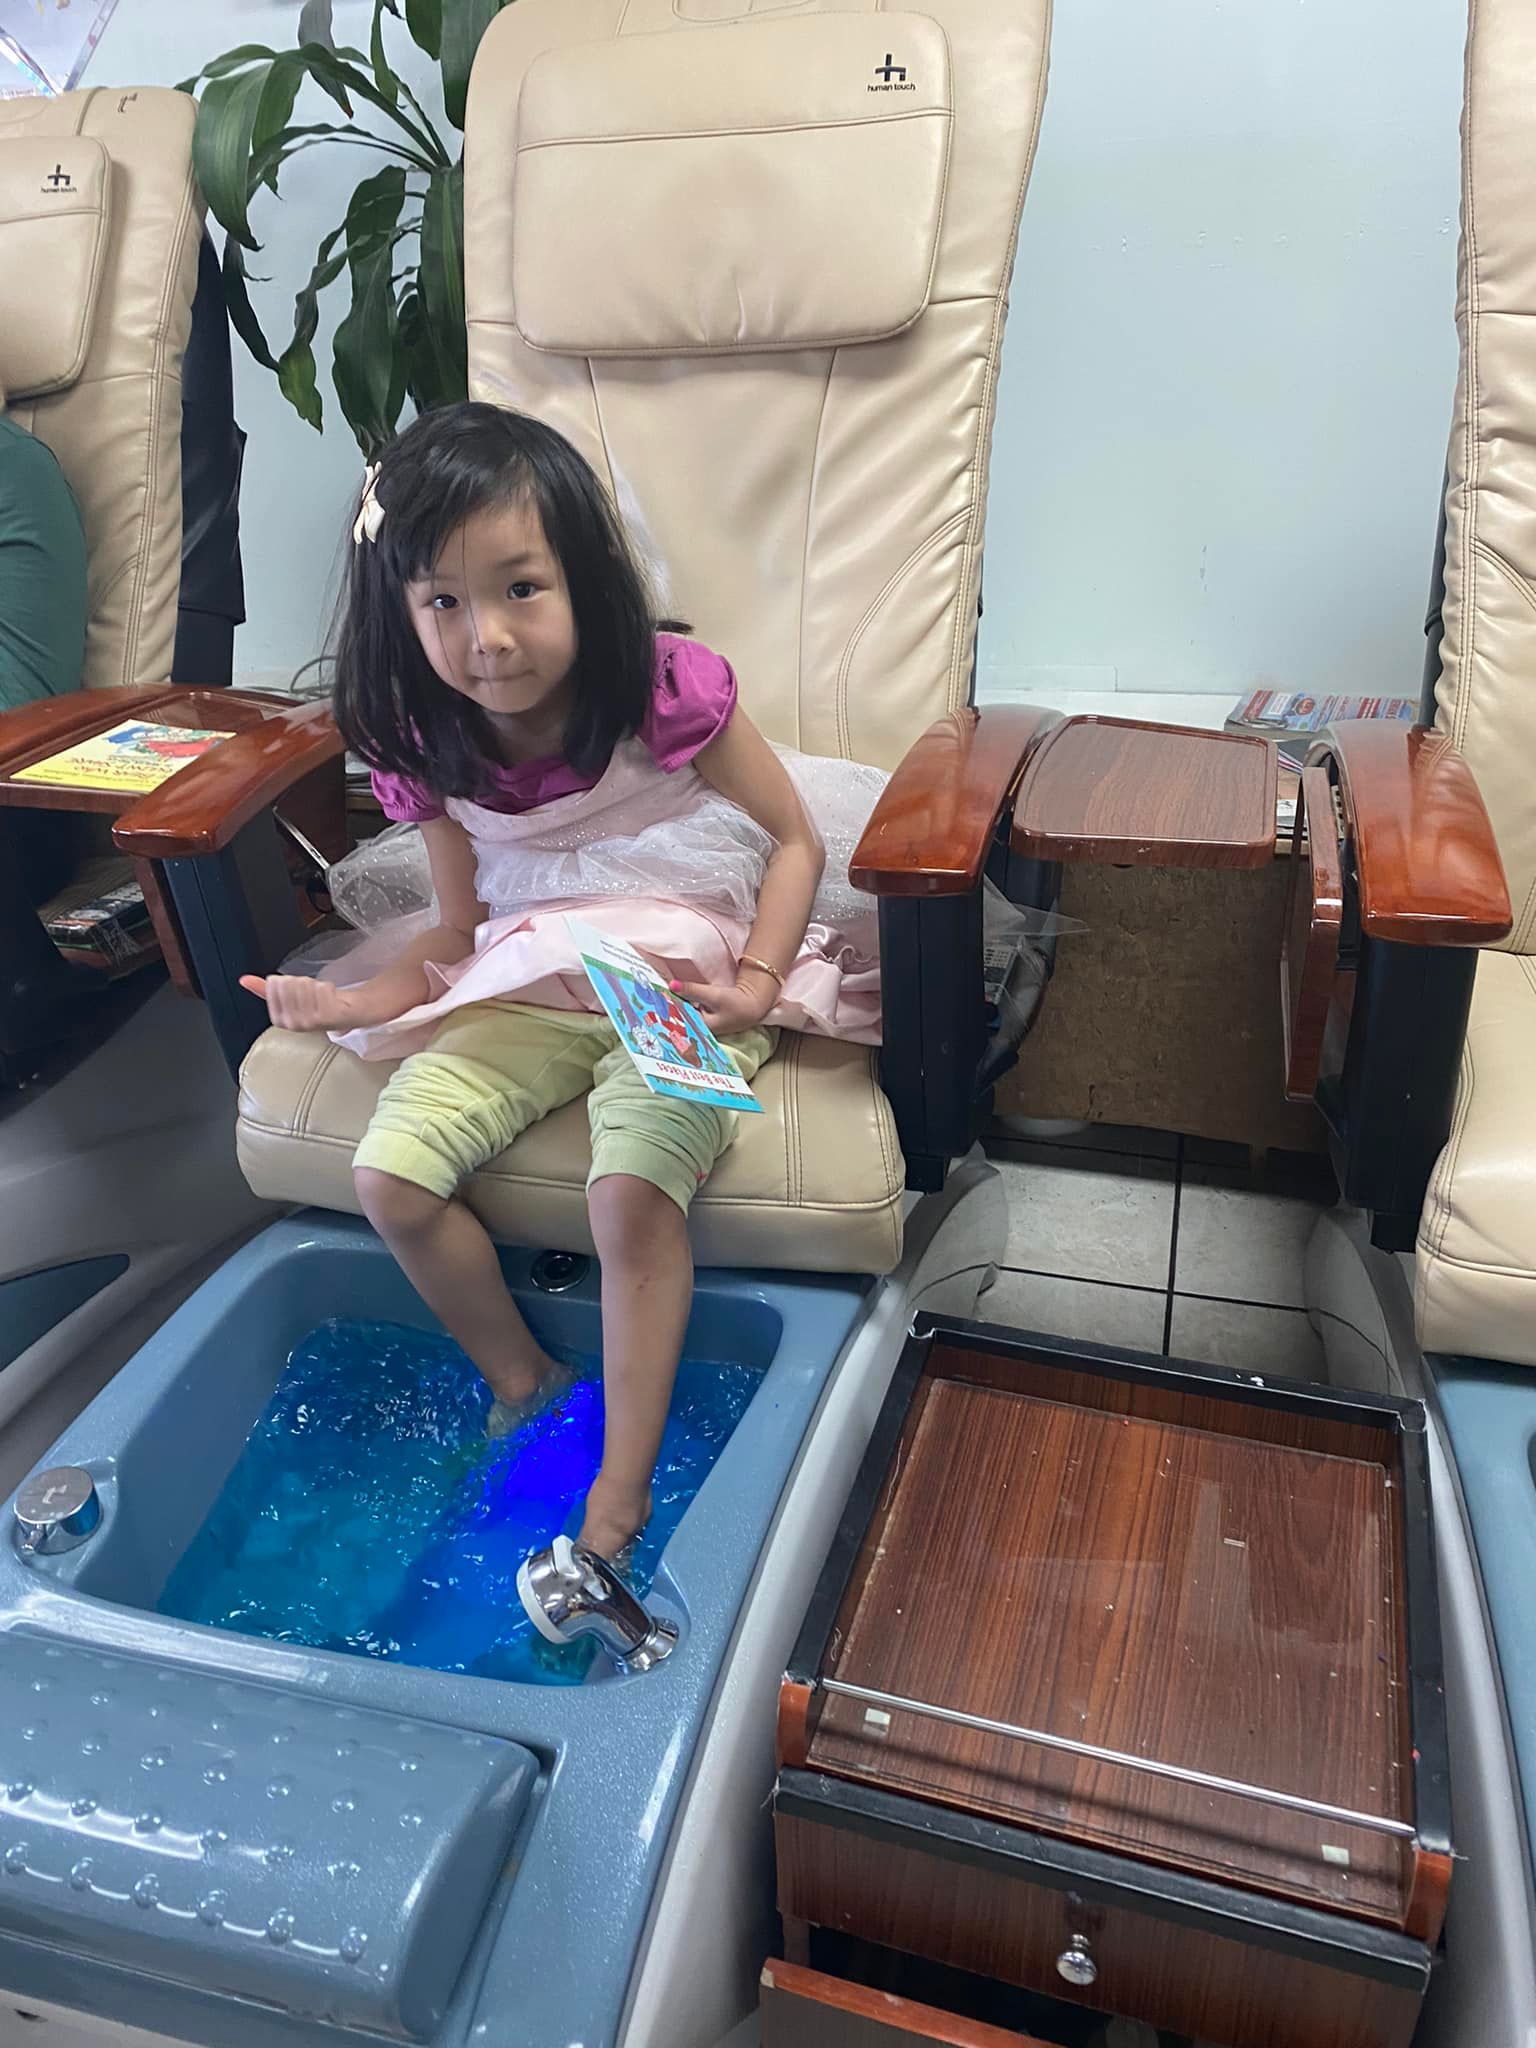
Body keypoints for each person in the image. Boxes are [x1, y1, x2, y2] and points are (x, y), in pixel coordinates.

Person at [239, 402, 883, 1565]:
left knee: (627, 1193)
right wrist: (358, 1001)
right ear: (398, 611)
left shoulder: (663, 691)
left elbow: (795, 839)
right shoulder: (421, 736)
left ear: (583, 576)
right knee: (390, 1174)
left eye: (521, 588)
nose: (487, 638)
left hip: (684, 969)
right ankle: (524, 1380)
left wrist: (755, 982)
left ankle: (618, 1494)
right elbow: (456, 927)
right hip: (530, 973)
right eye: (443, 601)